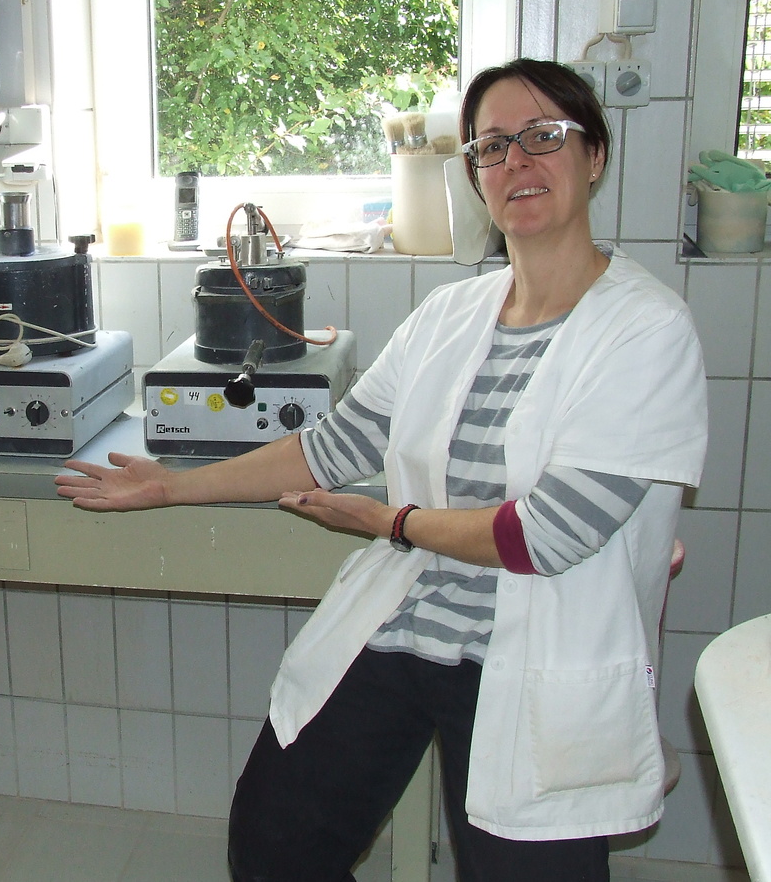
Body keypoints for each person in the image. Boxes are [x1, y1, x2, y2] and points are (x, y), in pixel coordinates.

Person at [54, 57, 708, 882]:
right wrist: (169, 485)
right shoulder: (452, 314)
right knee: (273, 847)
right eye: (493, 146)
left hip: (541, 653)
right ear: (474, 174)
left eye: (544, 136)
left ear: (595, 155)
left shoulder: (647, 330)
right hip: (411, 620)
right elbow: (332, 447)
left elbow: (545, 536)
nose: (517, 161)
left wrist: (390, 522)